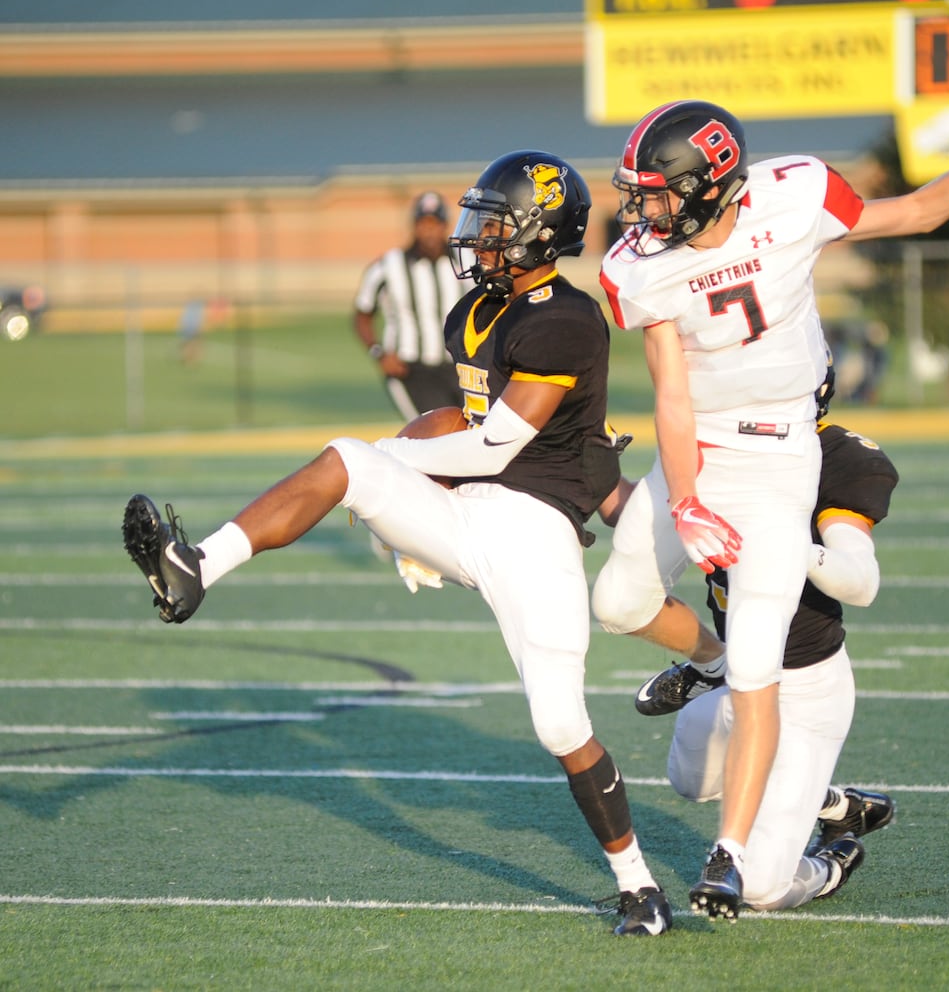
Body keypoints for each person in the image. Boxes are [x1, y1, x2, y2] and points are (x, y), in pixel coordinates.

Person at [122, 150, 672, 937]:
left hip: (536, 536)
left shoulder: (565, 318)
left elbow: (497, 445)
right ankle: (196, 566)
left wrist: (399, 463)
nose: (473, 237)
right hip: (469, 511)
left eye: (493, 224)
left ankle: (639, 888)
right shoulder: (473, 312)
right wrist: (396, 479)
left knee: (559, 726)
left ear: (537, 234)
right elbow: (460, 424)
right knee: (346, 458)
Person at [591, 84, 949, 919]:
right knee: (618, 599)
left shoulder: (796, 192)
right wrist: (691, 498)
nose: (641, 207)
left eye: (657, 189)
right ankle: (703, 665)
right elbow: (669, 391)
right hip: (697, 441)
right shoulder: (636, 264)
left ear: (711, 185)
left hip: (774, 451)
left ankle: (735, 854)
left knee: (754, 670)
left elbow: (915, 213)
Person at [639, 402, 901, 912]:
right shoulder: (711, 442)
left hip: (805, 688)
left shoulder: (836, 455)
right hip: (740, 679)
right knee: (690, 781)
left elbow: (861, 581)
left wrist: (791, 548)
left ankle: (835, 858)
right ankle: (835, 803)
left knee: (759, 888)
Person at [352, 190, 468, 419]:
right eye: (423, 224)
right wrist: (379, 353)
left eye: (435, 224)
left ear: (445, 226)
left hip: (460, 366)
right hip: (412, 369)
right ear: (414, 227)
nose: (429, 232)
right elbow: (362, 314)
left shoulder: (466, 261)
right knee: (433, 433)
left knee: (474, 431)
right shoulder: (388, 266)